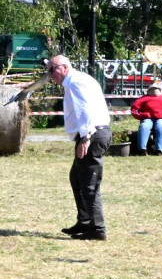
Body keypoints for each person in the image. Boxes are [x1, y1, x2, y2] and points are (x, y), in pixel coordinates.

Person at [46, 55, 112, 241]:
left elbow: (85, 111)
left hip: (92, 134)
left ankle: (97, 229)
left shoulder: (75, 83)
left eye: (52, 70)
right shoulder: (77, 80)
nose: (50, 75)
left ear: (64, 67)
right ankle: (84, 221)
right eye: (49, 71)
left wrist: (85, 137)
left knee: (89, 184)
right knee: (76, 177)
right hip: (94, 133)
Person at [130, 82, 162, 155]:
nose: (155, 90)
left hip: (161, 118)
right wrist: (142, 115)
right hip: (147, 118)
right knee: (144, 126)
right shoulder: (143, 98)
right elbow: (134, 110)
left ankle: (159, 150)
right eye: (153, 89)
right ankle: (142, 149)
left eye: (157, 89)